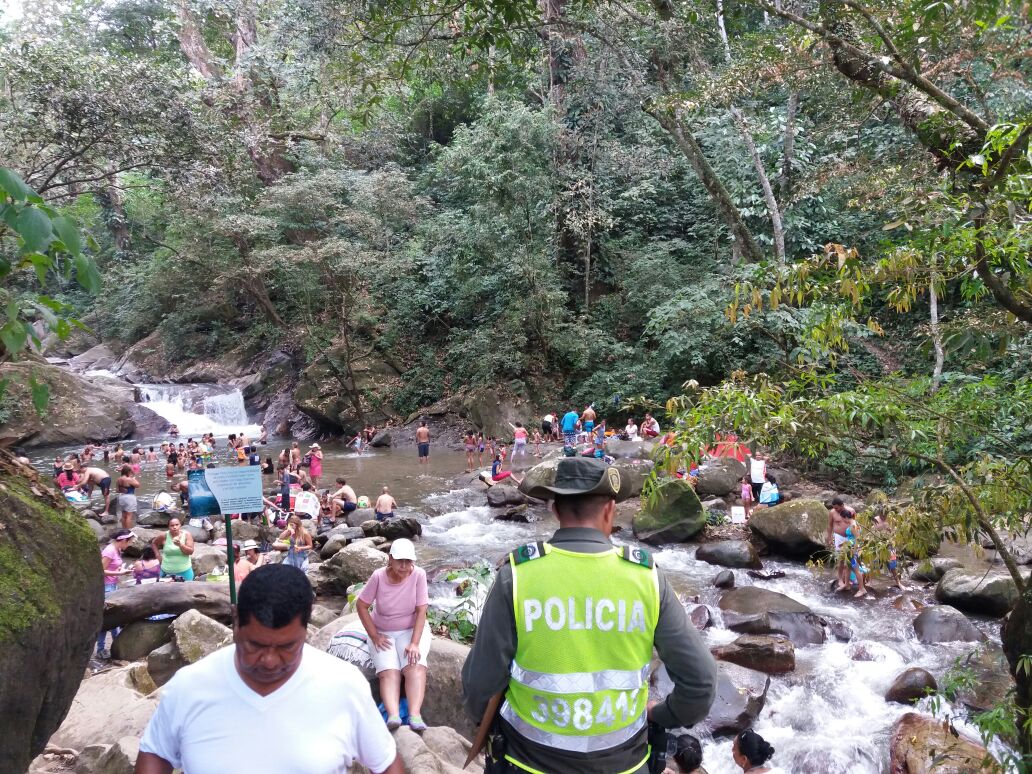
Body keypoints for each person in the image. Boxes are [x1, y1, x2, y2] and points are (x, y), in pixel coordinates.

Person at [462, 457, 718, 774]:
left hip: (527, 763)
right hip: (625, 764)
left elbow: (480, 685)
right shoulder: (646, 577)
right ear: (610, 510)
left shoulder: (518, 575)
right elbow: (701, 682)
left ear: (554, 509)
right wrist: (662, 714)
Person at [135, 564, 401, 774]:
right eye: (256, 645)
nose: (270, 661)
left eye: (287, 646)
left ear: (306, 629)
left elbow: (386, 762)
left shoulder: (344, 686)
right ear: (235, 619)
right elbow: (156, 754)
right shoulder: (189, 687)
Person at [355, 538, 431, 733]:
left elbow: (422, 611)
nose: (404, 566)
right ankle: (394, 715)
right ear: (390, 559)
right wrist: (374, 636)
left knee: (414, 666)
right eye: (400, 561)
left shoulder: (419, 575)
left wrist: (415, 643)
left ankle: (415, 715)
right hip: (383, 631)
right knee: (389, 671)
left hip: (410, 629)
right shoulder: (378, 576)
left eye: (408, 561)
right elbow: (361, 605)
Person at [97, 529, 135, 657]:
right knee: (107, 619)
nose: (129, 545)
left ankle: (118, 645)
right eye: (129, 542)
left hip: (113, 585)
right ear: (123, 540)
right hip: (106, 587)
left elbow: (114, 566)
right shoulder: (109, 551)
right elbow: (101, 570)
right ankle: (100, 649)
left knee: (115, 617)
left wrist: (123, 569)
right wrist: (120, 573)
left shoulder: (117, 550)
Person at [827, 498, 857, 592]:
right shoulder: (832, 512)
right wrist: (829, 537)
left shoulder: (851, 511)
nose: (836, 510)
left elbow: (855, 525)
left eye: (837, 508)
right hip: (839, 537)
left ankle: (849, 579)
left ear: (842, 505)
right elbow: (830, 525)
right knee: (840, 559)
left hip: (850, 538)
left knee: (850, 560)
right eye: (834, 508)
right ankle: (840, 579)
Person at [116, 465, 141, 529]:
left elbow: (117, 490)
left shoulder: (118, 479)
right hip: (129, 497)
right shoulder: (129, 479)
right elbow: (138, 485)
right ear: (128, 471)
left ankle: (124, 530)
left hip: (121, 497)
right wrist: (133, 479)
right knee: (129, 516)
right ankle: (128, 531)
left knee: (124, 515)